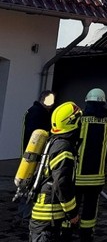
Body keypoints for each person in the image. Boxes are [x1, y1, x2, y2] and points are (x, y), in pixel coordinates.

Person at [29, 101, 82, 242]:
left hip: (44, 213)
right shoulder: (64, 148)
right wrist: (72, 213)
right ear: (72, 122)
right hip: (48, 216)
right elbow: (62, 183)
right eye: (79, 120)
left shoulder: (54, 142)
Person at [74, 88, 107, 242]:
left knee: (72, 205)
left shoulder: (79, 119)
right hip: (96, 176)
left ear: (87, 102)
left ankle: (66, 232)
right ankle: (86, 235)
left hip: (76, 175)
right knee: (91, 207)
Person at [15, 90, 56, 227]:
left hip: (30, 155)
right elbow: (39, 135)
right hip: (35, 157)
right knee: (31, 185)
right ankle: (25, 217)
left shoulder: (34, 111)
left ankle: (22, 216)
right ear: (43, 99)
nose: (52, 103)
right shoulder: (38, 113)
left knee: (26, 185)